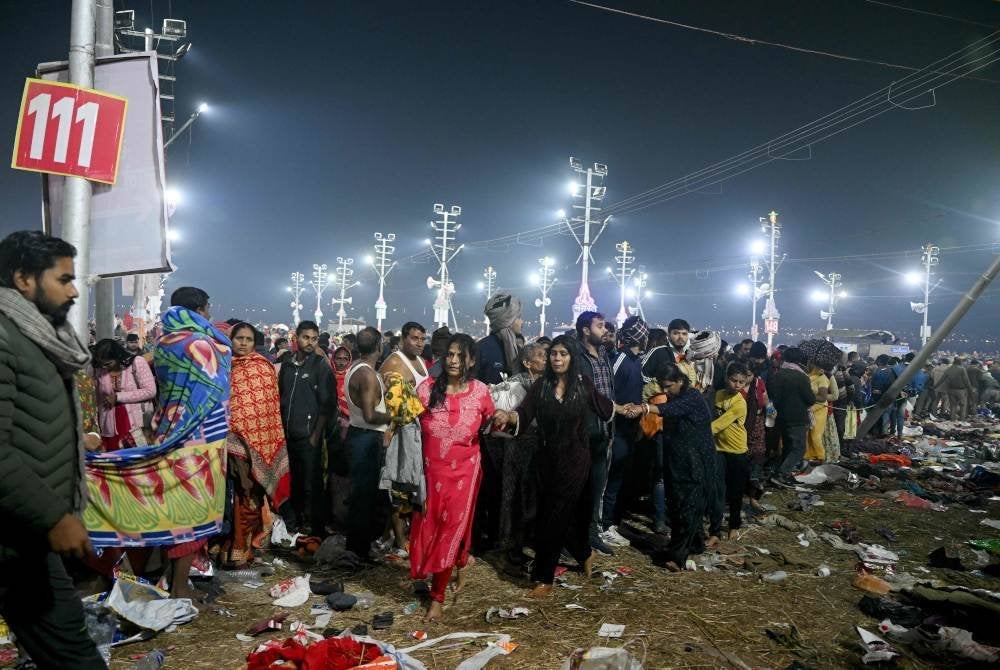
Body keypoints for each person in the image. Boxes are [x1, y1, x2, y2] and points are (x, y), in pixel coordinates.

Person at [0, 231, 107, 667]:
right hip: (17, 536)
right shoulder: (6, 337)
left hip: (25, 538)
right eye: (63, 279)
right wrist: (55, 516)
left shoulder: (37, 336)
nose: (74, 290)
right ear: (24, 279)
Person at [493, 336, 615, 597]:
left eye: (563, 354)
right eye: (553, 354)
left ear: (572, 358)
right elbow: (523, 414)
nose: (557, 359)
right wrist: (508, 416)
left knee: (553, 518)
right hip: (547, 462)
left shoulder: (582, 385)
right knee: (560, 517)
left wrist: (632, 409)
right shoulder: (541, 386)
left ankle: (543, 577)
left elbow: (605, 408)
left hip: (576, 462)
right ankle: (584, 552)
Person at [409, 334, 497, 622]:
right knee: (429, 527)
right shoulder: (426, 390)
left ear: (471, 360)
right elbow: (406, 426)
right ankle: (459, 562)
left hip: (465, 473)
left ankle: (438, 597)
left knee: (450, 529)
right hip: (430, 474)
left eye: (461, 355)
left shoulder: (480, 392)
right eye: (449, 355)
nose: (454, 361)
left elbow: (488, 423)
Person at [626, 361, 716, 571]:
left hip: (694, 462)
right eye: (663, 387)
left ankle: (677, 556)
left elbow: (669, 410)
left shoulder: (691, 397)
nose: (666, 391)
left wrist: (644, 408)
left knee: (687, 507)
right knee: (682, 505)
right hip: (680, 460)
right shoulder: (678, 396)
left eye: (669, 387)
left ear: (680, 381)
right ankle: (695, 544)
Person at [221, 323, 290, 567]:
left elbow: (268, 407)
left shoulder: (263, 367)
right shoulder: (223, 365)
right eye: (238, 338)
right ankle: (227, 549)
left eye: (248, 339)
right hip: (227, 442)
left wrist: (254, 435)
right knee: (229, 498)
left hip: (258, 445)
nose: (243, 343)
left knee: (250, 495)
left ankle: (243, 549)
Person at [497, 342, 547, 572]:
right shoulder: (517, 385)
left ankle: (527, 542)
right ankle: (511, 548)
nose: (545, 359)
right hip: (519, 448)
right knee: (515, 498)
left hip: (538, 448)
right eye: (540, 356)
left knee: (533, 498)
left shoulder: (544, 382)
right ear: (527, 363)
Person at [344, 327, 392, 558]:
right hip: (366, 438)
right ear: (379, 347)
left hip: (357, 434)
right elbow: (371, 415)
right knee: (364, 497)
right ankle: (359, 550)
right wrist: (394, 415)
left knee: (361, 496)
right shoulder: (367, 375)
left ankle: (357, 546)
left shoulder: (354, 368)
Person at [575, 311, 619, 554]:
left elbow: (609, 393)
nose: (605, 330)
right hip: (582, 434)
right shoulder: (576, 357)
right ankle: (572, 538)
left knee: (596, 487)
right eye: (600, 326)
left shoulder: (602, 354)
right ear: (585, 329)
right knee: (576, 488)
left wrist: (612, 429)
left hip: (603, 433)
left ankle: (592, 534)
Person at [602, 316, 647, 537]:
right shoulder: (619, 359)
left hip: (630, 430)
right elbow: (607, 393)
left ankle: (611, 521)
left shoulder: (637, 361)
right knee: (609, 478)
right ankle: (603, 524)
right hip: (616, 429)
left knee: (619, 477)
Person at [708, 362, 750, 542]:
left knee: (735, 491)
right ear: (727, 378)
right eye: (734, 380)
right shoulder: (718, 395)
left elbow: (718, 424)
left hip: (737, 450)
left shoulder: (740, 403)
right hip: (719, 449)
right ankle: (715, 531)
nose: (737, 385)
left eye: (741, 382)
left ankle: (734, 525)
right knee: (718, 490)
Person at [92, 338, 157, 451]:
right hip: (109, 424)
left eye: (108, 363)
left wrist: (118, 397)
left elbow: (150, 391)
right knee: (114, 459)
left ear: (117, 356)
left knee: (136, 456)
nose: (104, 367)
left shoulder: (137, 362)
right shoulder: (99, 370)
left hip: (136, 423)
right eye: (102, 364)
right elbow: (98, 398)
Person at [767, 348, 815, 487]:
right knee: (799, 448)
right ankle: (781, 473)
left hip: (781, 417)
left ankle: (784, 475)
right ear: (799, 360)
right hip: (797, 418)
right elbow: (810, 399)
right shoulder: (801, 377)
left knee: (788, 447)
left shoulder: (779, 374)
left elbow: (775, 397)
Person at [804, 358, 831, 461]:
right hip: (808, 407)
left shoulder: (822, 378)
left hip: (819, 408)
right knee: (807, 435)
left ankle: (820, 457)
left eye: (812, 364)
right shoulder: (808, 376)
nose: (809, 365)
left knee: (816, 435)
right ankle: (808, 456)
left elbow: (823, 397)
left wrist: (807, 395)